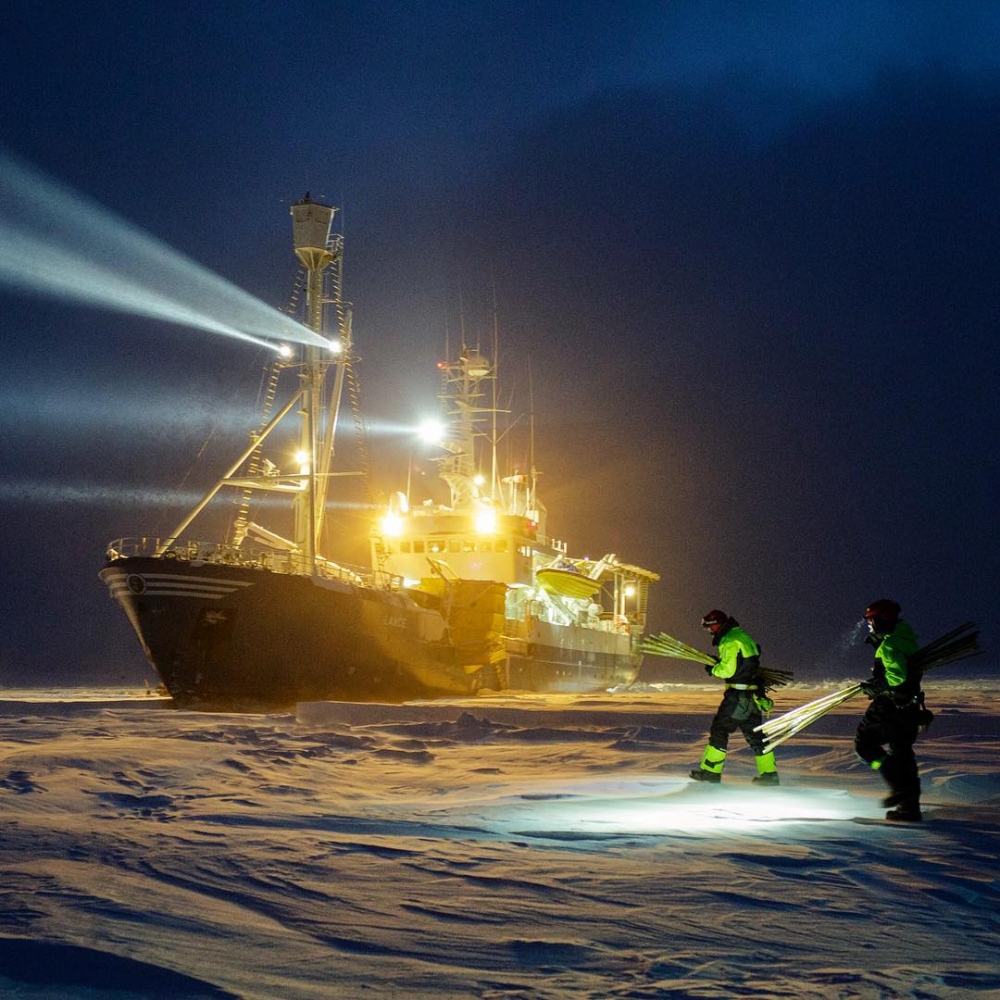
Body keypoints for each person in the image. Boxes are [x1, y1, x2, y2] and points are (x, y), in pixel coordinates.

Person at [855, 599, 925, 822]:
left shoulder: (890, 645)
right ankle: (909, 807)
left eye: (872, 622)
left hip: (890, 708)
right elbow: (903, 667)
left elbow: (897, 679)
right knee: (902, 753)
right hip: (909, 707)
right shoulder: (905, 637)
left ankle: (898, 787)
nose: (870, 626)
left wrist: (878, 686)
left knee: (865, 745)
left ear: (882, 619)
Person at [690, 610, 779, 785]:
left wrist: (713, 669)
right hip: (753, 696)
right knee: (755, 735)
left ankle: (711, 771)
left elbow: (728, 671)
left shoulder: (729, 640)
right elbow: (745, 666)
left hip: (737, 696)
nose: (710, 631)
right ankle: (770, 774)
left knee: (720, 730)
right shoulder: (743, 637)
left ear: (717, 624)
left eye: (710, 628)